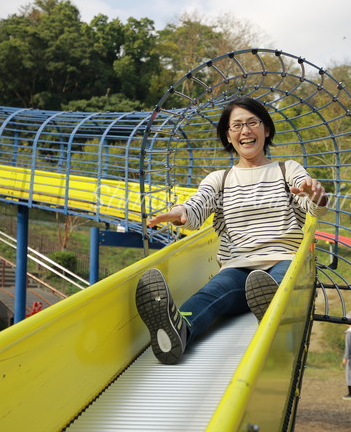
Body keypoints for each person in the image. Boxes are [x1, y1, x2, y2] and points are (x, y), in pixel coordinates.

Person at [135, 96, 329, 364]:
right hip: (238, 266)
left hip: (283, 259)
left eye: (252, 123)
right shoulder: (220, 179)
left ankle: (272, 310)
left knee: (277, 282)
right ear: (227, 136)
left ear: (267, 129)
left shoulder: (288, 170)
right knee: (211, 294)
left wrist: (315, 194)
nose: (245, 131)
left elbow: (313, 205)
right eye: (236, 126)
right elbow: (197, 207)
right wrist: (181, 213)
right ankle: (178, 330)